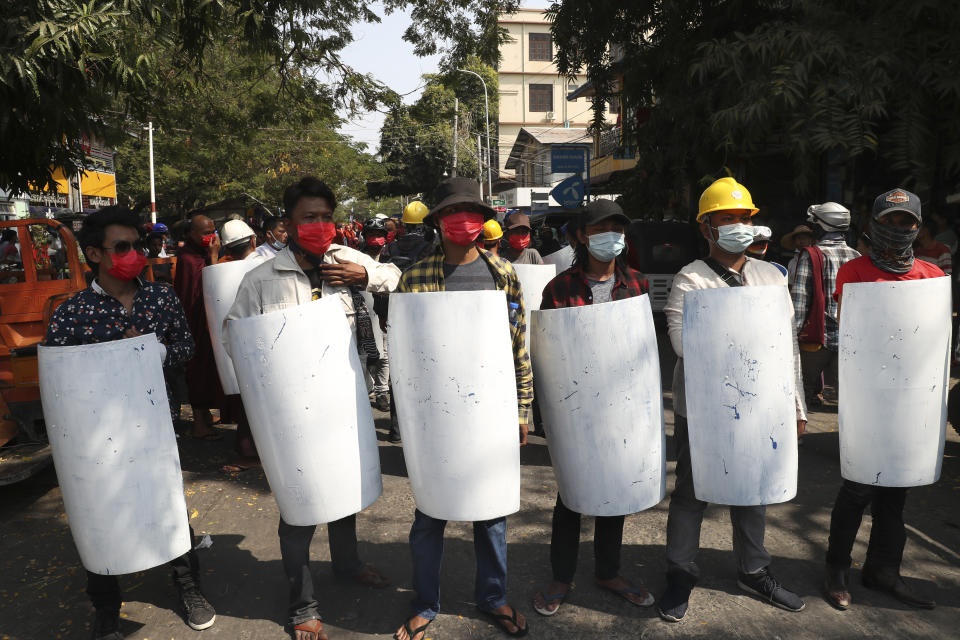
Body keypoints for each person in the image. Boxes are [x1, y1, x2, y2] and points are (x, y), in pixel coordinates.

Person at [223, 177, 399, 640]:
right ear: (289, 223)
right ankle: (303, 605)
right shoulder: (261, 280)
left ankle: (348, 564)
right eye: (309, 218)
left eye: (326, 217)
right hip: (292, 415)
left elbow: (395, 277)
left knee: (342, 491)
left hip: (344, 400)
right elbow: (235, 337)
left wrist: (366, 277)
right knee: (298, 509)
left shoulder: (347, 260)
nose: (319, 225)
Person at [44, 206, 216, 640]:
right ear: (94, 254)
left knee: (166, 502)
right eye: (121, 247)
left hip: (157, 423)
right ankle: (106, 606)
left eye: (137, 245)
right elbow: (60, 377)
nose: (134, 254)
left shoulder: (161, 298)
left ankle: (188, 585)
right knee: (100, 512)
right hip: (97, 436)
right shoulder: (73, 313)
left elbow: (186, 345)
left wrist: (153, 352)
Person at [659, 177, 807, 622]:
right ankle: (680, 572)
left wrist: (797, 403)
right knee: (692, 491)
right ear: (707, 228)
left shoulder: (771, 276)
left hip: (761, 405)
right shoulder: (690, 280)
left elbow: (788, 346)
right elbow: (683, 343)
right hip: (703, 408)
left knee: (753, 490)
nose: (738, 227)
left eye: (744, 219)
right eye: (727, 220)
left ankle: (754, 569)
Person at [392, 177, 532, 640]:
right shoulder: (414, 278)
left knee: (490, 515)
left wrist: (522, 410)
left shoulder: (503, 274)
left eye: (471, 212)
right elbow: (407, 357)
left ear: (483, 220)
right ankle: (425, 603)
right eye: (453, 212)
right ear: (437, 221)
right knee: (429, 516)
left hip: (490, 412)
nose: (463, 220)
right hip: (436, 416)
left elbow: (519, 348)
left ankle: (493, 598)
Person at [823, 188, 941, 612]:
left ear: (917, 226)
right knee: (857, 488)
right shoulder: (853, 272)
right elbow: (853, 334)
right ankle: (836, 568)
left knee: (896, 491)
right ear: (872, 224)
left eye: (905, 222)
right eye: (888, 221)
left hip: (912, 402)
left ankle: (883, 570)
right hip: (868, 397)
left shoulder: (931, 277)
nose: (896, 229)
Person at [532, 200, 652, 616]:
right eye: (602, 227)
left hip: (623, 407)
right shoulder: (559, 288)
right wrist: (544, 415)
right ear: (583, 235)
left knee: (614, 493)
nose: (612, 236)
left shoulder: (637, 284)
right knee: (571, 496)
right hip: (575, 410)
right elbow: (547, 354)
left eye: (618, 227)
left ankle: (608, 572)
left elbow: (643, 352)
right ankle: (561, 577)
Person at [788, 202, 860, 409]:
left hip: (817, 340)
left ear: (822, 227)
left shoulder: (810, 255)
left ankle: (797, 439)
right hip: (849, 340)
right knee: (848, 400)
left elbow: (800, 301)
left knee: (802, 392)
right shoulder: (856, 256)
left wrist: (792, 336)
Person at [377, 200, 437, 442]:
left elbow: (380, 284)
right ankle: (424, 428)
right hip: (426, 316)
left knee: (400, 372)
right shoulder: (433, 247)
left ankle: (397, 430)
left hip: (394, 314)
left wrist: (382, 315)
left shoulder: (390, 248)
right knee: (428, 371)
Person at [173, 215, 224, 440]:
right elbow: (201, 287)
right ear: (191, 234)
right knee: (197, 371)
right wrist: (213, 258)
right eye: (205, 233)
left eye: (213, 231)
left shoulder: (202, 253)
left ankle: (204, 416)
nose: (210, 237)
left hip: (208, 319)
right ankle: (198, 424)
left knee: (209, 371)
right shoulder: (187, 258)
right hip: (194, 321)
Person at [359, 217, 390, 411]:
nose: (376, 239)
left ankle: (381, 392)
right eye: (372, 235)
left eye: (379, 235)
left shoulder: (391, 259)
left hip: (386, 315)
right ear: (365, 237)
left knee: (384, 356)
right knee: (364, 355)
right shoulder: (356, 259)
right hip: (363, 314)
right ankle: (366, 389)